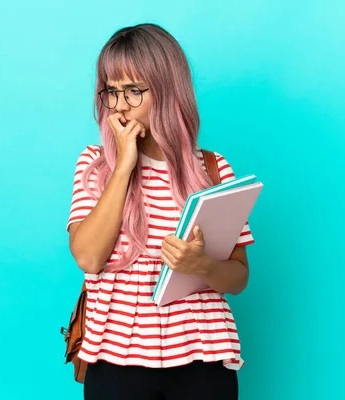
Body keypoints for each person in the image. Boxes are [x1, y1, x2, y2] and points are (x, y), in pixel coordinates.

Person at [66, 23, 254, 400]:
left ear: (167, 90)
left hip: (204, 358)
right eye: (111, 91)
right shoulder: (94, 165)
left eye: (133, 91)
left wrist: (202, 265)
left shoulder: (214, 170)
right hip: (115, 360)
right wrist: (123, 167)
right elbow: (88, 256)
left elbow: (238, 278)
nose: (119, 105)